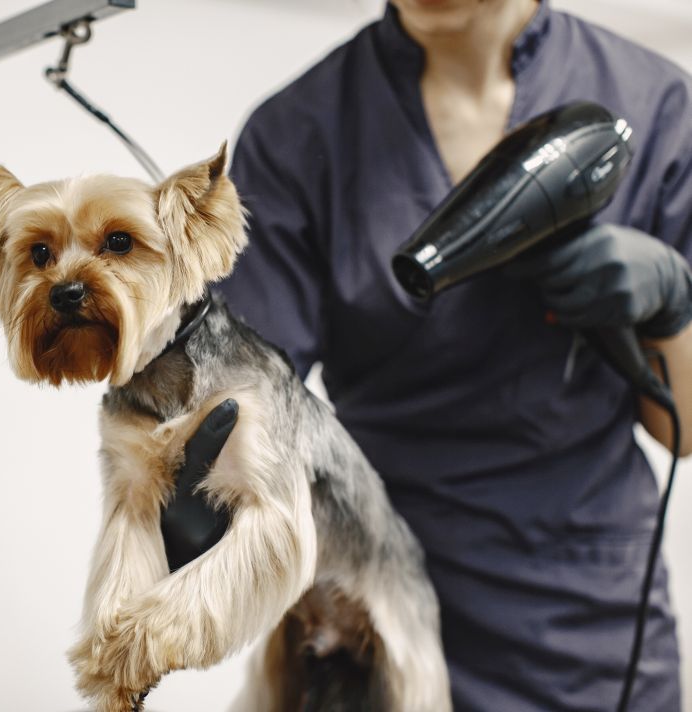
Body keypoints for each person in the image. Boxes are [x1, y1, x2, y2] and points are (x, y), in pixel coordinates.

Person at [214, 0, 692, 709]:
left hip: (582, 619)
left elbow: (683, 429)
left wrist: (671, 306)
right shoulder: (299, 131)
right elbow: (238, 424)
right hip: (374, 616)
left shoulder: (652, 104)